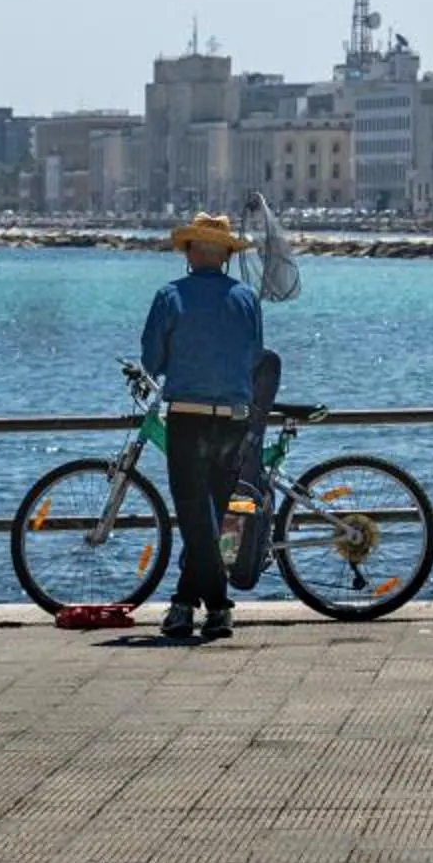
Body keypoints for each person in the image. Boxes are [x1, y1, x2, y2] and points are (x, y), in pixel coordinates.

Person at [142, 211, 266, 640]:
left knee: (196, 518)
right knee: (209, 515)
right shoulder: (246, 298)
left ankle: (214, 607)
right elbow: (255, 355)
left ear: (191, 253)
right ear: (226, 256)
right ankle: (189, 604)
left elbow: (151, 361)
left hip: (188, 419)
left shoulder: (169, 296)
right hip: (233, 421)